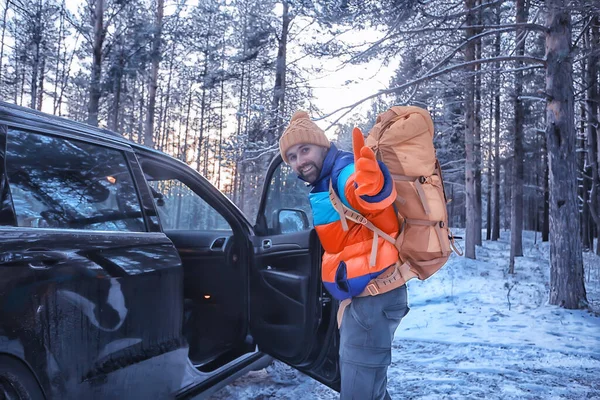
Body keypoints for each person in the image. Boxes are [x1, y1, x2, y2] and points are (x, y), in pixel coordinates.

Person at [279, 110, 410, 400]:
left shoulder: (343, 170)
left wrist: (372, 184)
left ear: (323, 145)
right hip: (366, 299)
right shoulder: (323, 182)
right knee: (370, 388)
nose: (300, 161)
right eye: (291, 157)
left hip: (374, 300)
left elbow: (365, 193)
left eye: (305, 150)